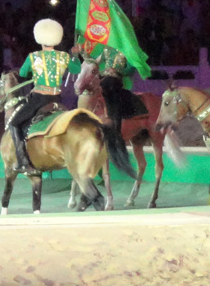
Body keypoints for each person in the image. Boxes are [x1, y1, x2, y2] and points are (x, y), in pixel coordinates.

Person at [8, 18, 81, 175]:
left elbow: (22, 73)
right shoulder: (63, 56)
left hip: (39, 99)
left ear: (39, 38)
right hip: (57, 99)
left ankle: (22, 162)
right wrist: (74, 55)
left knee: (14, 124)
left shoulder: (34, 57)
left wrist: (36, 73)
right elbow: (76, 70)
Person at [76, 38, 147, 149]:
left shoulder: (127, 50)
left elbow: (131, 68)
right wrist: (82, 51)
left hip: (115, 79)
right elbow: (96, 61)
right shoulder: (107, 49)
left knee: (112, 90)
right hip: (103, 77)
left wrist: (118, 71)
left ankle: (115, 128)